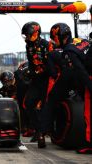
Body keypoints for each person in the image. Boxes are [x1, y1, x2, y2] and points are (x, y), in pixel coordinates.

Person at [45, 23, 92, 153]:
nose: (54, 41)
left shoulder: (68, 51)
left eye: (55, 38)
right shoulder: (83, 40)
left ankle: (89, 143)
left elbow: (80, 72)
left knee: (88, 113)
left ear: (61, 37)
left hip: (88, 79)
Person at [21, 21, 54, 148]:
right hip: (36, 80)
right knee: (28, 103)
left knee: (45, 107)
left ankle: (42, 132)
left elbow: (52, 65)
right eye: (25, 36)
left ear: (36, 33)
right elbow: (31, 62)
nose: (27, 38)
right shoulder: (28, 46)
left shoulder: (47, 45)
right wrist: (29, 72)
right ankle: (38, 130)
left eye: (28, 35)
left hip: (47, 80)